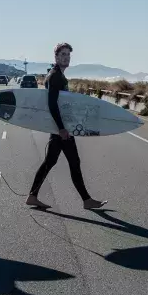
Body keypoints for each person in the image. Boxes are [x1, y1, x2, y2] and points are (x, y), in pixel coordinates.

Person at [26, 43, 107, 210]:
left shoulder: (57, 75)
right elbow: (52, 104)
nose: (66, 57)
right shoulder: (55, 76)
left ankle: (32, 196)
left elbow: (62, 103)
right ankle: (86, 200)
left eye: (68, 55)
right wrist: (62, 129)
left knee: (50, 161)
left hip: (59, 127)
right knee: (73, 162)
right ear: (56, 57)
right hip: (61, 129)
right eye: (62, 54)